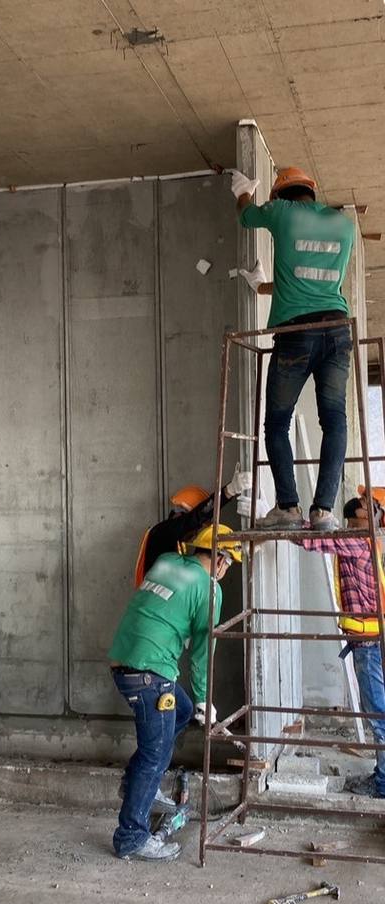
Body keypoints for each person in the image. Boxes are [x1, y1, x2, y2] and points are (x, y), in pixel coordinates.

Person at [231, 165, 355, 532]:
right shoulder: (343, 224)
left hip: (297, 333)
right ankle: (324, 512)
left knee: (277, 422)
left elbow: (246, 217)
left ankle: (288, 506)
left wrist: (243, 191)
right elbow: (313, 282)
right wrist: (262, 287)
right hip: (337, 329)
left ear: (280, 195)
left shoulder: (282, 212)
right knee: (335, 420)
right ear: (311, 191)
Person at [109, 524, 242, 861]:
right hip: (150, 675)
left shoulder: (167, 561)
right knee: (154, 755)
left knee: (180, 712)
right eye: (229, 563)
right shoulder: (209, 589)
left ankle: (136, 784)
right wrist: (204, 699)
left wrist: (193, 705)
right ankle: (131, 837)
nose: (226, 571)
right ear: (221, 559)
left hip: (123, 663)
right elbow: (201, 653)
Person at [294, 496, 385, 798]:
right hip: (372, 641)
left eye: (368, 503)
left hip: (369, 644)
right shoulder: (369, 540)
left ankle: (383, 784)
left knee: (379, 716)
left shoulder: (357, 541)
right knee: (379, 713)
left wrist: (285, 520)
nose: (363, 502)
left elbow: (311, 541)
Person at [134, 465, 251, 586]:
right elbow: (195, 518)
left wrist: (240, 548)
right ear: (183, 513)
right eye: (197, 528)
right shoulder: (162, 533)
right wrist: (228, 491)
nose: (196, 533)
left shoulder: (175, 541)